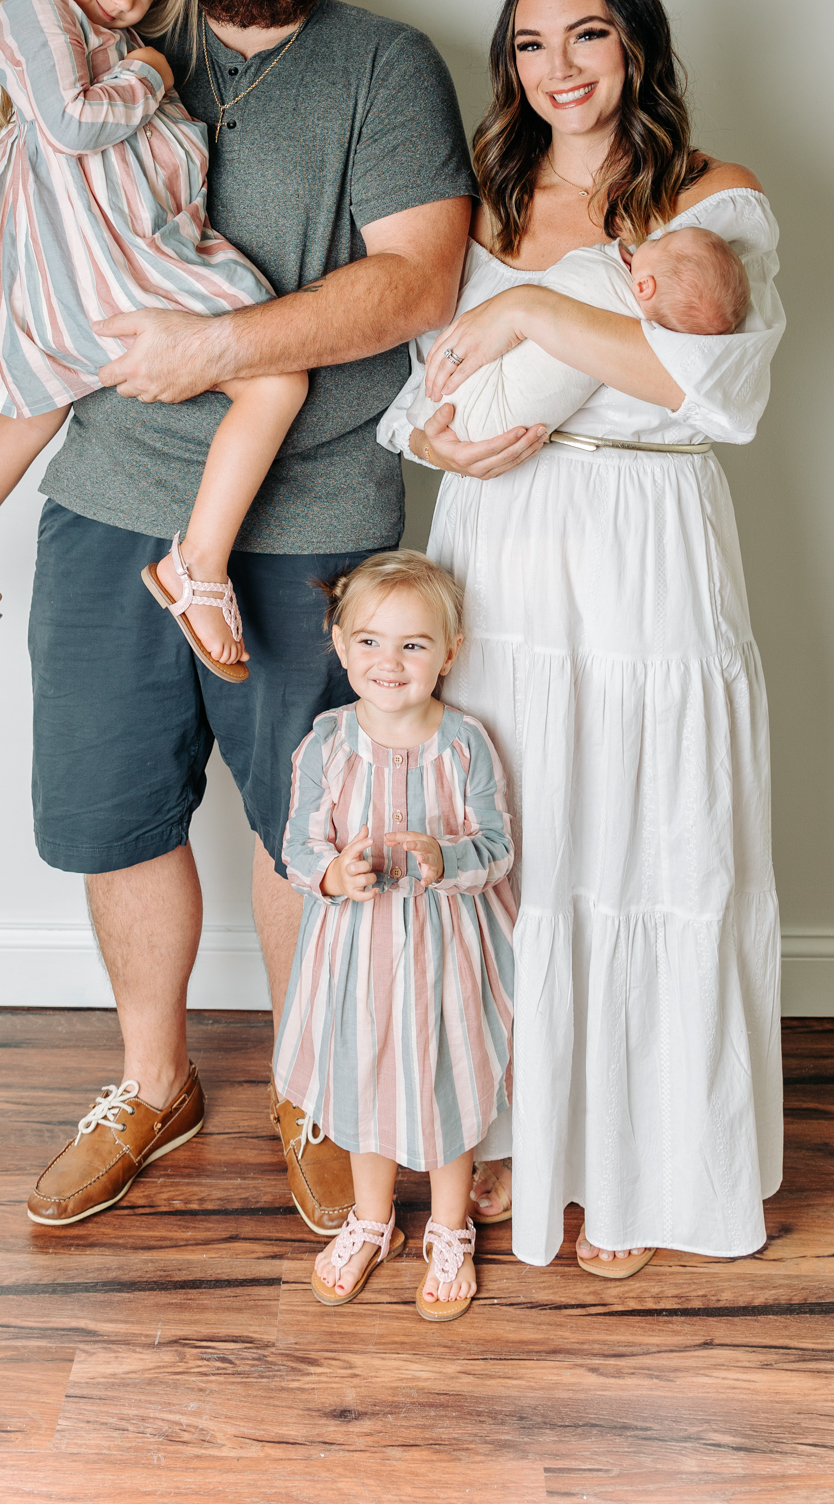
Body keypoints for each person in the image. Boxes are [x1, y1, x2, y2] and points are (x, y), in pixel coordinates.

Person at [20, 0, 478, 1232]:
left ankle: (312, 1088)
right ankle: (153, 1086)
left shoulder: (385, 64)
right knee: (112, 812)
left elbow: (417, 282)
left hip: (315, 519)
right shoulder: (113, 41)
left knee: (309, 828)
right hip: (106, 494)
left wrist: (219, 345)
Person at [377, 0, 786, 1274]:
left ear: (637, 43)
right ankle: (515, 1133)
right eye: (532, 42)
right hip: (502, 542)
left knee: (652, 841)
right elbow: (422, 387)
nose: (561, 66)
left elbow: (707, 383)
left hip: (647, 537)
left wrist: (539, 319)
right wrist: (443, 438)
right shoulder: (487, 201)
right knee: (522, 840)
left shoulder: (714, 196)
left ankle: (642, 1165)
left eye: (589, 33)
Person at [0, 0, 306, 677]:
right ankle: (196, 566)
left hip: (84, 270)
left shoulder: (104, 37)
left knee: (40, 401)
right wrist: (153, 71)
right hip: (114, 260)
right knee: (277, 376)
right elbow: (73, 123)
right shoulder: (34, 12)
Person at [272, 552, 516, 1321]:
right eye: (370, 641)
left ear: (449, 652)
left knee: (447, 1080)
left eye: (413, 645)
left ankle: (449, 1227)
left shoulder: (466, 742)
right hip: (354, 953)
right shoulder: (325, 742)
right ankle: (371, 1221)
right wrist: (330, 874)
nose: (390, 661)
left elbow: (498, 847)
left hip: (445, 952)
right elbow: (297, 844)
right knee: (362, 1078)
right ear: (340, 645)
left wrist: (446, 859)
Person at [406, 224, 750, 443]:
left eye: (661, 241)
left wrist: (522, 308)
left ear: (644, 286)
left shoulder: (613, 289)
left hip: (484, 428)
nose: (652, 238)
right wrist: (427, 446)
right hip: (465, 441)